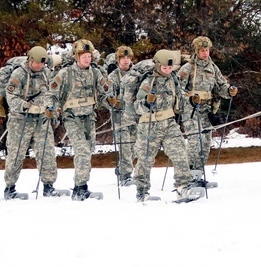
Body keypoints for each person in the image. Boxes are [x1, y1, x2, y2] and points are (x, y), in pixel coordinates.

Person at [133, 49, 203, 203]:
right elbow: (136, 106)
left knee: (180, 153)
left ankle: (183, 186)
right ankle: (142, 191)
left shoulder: (173, 80)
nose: (168, 70)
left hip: (169, 123)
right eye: (165, 68)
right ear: (158, 65)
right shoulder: (148, 81)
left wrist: (191, 101)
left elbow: (179, 99)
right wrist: (146, 102)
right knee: (145, 160)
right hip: (149, 125)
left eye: (170, 68)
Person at [52, 39, 109, 201]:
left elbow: (104, 94)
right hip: (72, 117)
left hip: (89, 117)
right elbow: (52, 95)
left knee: (88, 150)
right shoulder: (66, 74)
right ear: (76, 56)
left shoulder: (95, 73)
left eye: (89, 56)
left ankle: (82, 185)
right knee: (82, 150)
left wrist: (112, 103)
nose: (87, 59)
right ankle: (79, 188)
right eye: (83, 55)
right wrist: (53, 111)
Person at [178, 36, 237, 187]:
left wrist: (229, 90)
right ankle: (188, 177)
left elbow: (220, 85)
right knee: (194, 143)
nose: (205, 53)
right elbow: (177, 90)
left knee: (205, 144)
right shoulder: (188, 68)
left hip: (207, 110)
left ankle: (198, 175)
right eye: (202, 50)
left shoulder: (212, 67)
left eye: (207, 50)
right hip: (191, 110)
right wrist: (189, 99)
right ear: (196, 51)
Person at [3, 46, 59, 200]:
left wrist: (52, 110)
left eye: (43, 63)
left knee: (47, 153)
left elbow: (52, 93)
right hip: (21, 120)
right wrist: (25, 106)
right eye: (37, 63)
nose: (40, 66)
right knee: (16, 154)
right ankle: (10, 188)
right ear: (30, 60)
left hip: (42, 119)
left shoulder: (46, 74)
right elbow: (11, 96)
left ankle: (49, 186)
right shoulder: (19, 74)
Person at [105, 45, 137, 186]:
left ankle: (123, 168)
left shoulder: (137, 74)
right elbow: (107, 97)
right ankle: (125, 175)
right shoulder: (113, 77)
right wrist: (113, 102)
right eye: (123, 58)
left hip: (136, 116)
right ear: (118, 59)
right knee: (124, 147)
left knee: (135, 147)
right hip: (120, 118)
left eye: (128, 58)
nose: (125, 61)